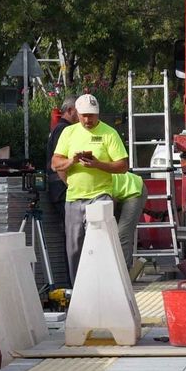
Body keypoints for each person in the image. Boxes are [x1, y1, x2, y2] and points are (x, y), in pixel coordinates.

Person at [51, 93, 129, 285]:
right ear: (76, 113)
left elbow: (123, 165)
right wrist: (72, 161)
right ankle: (79, 288)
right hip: (74, 197)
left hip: (100, 195)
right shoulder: (68, 133)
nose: (88, 119)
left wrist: (98, 165)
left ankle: (105, 285)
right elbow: (55, 163)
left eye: (92, 115)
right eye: (84, 115)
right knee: (75, 247)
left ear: (98, 113)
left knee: (102, 244)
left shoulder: (109, 133)